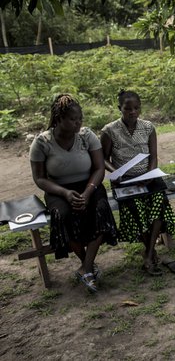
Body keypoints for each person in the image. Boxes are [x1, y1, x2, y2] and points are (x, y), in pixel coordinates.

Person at [29, 94, 117, 293]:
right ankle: (86, 264)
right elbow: (40, 179)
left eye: (80, 118)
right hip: (58, 190)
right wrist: (65, 193)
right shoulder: (42, 143)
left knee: (101, 209)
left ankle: (86, 268)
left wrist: (87, 192)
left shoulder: (87, 136)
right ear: (59, 119)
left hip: (89, 186)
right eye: (73, 119)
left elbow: (98, 168)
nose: (78, 122)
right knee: (61, 216)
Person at [101, 90, 175, 276]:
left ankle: (149, 253)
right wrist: (115, 173)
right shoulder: (109, 131)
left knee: (159, 204)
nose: (133, 112)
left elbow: (153, 155)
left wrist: (151, 172)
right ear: (120, 108)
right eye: (128, 109)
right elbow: (103, 159)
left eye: (136, 108)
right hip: (124, 179)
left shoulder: (148, 127)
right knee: (136, 208)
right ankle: (152, 255)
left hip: (148, 176)